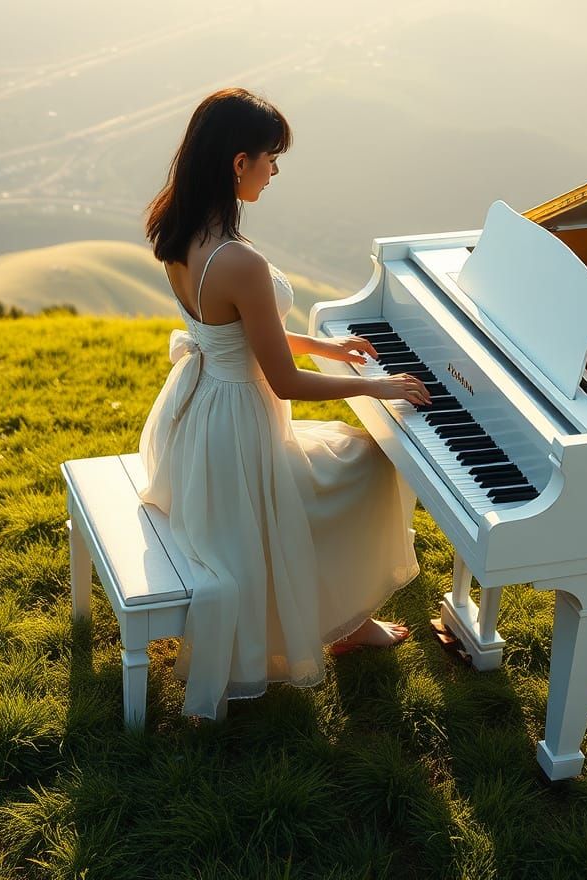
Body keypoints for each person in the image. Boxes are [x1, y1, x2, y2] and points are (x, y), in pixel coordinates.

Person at [137, 87, 432, 719]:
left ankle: (342, 618)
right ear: (238, 161)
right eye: (271, 159)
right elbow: (285, 382)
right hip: (240, 424)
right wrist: (378, 387)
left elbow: (230, 329)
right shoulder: (239, 259)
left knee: (326, 479)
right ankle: (347, 621)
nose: (275, 172)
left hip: (203, 415)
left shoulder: (178, 230)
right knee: (371, 461)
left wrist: (322, 345)